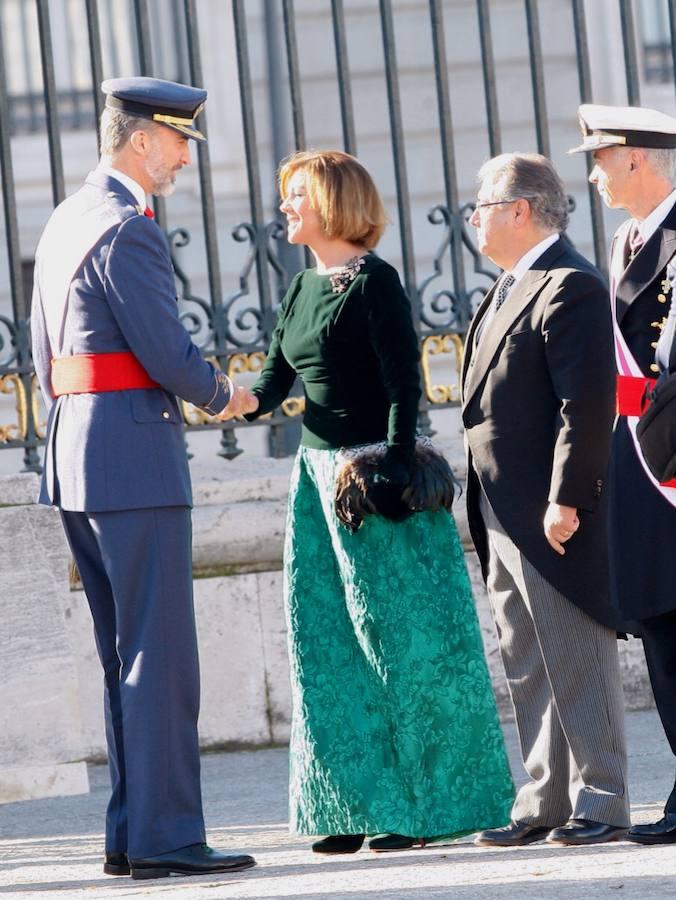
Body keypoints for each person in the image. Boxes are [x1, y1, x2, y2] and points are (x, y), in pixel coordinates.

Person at [225, 149, 514, 853]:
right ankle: (348, 806)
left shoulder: (375, 282)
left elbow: (403, 384)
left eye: (296, 195)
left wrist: (387, 465)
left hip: (371, 482)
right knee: (326, 642)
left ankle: (421, 809)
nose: (284, 207)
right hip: (312, 482)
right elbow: (270, 384)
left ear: (329, 202)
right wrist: (216, 397)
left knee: (402, 644)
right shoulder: (299, 289)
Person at [30, 77, 255, 880]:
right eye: (179, 143)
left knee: (124, 651)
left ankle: (131, 835)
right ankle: (165, 836)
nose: (185, 159)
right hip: (133, 459)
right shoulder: (127, 228)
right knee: (159, 656)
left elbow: (42, 354)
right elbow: (166, 352)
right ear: (141, 140)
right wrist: (226, 394)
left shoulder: (65, 220)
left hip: (79, 456)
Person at [462, 152, 630, 848]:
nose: (473, 218)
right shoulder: (507, 285)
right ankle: (544, 799)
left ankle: (603, 798)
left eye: (481, 205)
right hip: (502, 505)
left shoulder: (570, 286)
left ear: (520, 209)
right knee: (526, 658)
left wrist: (567, 498)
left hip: (549, 508)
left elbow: (584, 405)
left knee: (575, 655)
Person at [569, 103, 676, 845]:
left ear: (636, 158)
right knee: (663, 627)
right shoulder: (622, 240)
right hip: (639, 459)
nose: (593, 173)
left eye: (600, 158)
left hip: (672, 455)